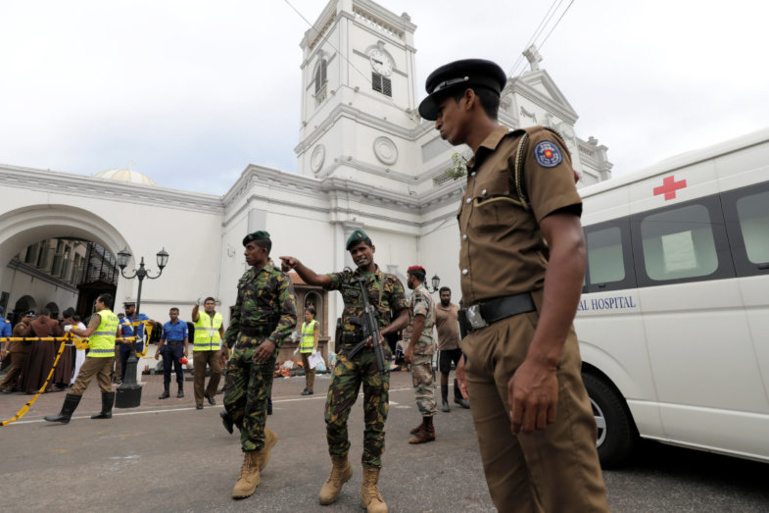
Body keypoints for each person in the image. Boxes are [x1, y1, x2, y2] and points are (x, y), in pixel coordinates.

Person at [419, 59, 609, 512]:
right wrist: (469, 350)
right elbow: (481, 272)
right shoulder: (473, 176)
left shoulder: (531, 147)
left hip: (528, 333)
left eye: (441, 107)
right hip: (482, 344)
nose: (436, 121)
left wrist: (543, 361)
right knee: (509, 489)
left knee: (567, 489)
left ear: (469, 99)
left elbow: (569, 246)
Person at [280, 228, 409, 513]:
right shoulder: (347, 278)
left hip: (376, 357)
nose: (359, 254)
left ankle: (370, 485)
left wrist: (383, 332)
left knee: (375, 421)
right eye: (354, 251)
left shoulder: (390, 283)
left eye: (363, 249)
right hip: (349, 356)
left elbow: (404, 314)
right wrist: (297, 264)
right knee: (333, 416)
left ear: (372, 249)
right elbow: (316, 280)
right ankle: (340, 468)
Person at [219, 230, 296, 500]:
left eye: (250, 248)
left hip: (263, 350)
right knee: (231, 403)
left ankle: (251, 465)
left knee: (254, 405)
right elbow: (237, 314)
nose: (245, 252)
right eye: (245, 248)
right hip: (241, 348)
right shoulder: (245, 279)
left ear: (263, 251)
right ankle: (263, 437)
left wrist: (273, 341)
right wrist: (226, 343)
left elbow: (289, 317)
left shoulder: (279, 279)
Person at [44, 293, 121, 423]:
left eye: (96, 301)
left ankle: (65, 414)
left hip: (96, 353)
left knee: (81, 381)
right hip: (109, 353)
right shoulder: (114, 317)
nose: (95, 304)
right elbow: (118, 334)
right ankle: (106, 411)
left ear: (102, 303)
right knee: (105, 382)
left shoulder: (98, 316)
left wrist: (70, 329)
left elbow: (86, 333)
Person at [404, 265, 437, 444]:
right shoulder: (426, 293)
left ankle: (429, 430)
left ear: (413, 277)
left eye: (408, 276)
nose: (407, 279)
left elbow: (419, 321)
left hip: (420, 347)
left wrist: (410, 347)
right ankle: (425, 424)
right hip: (425, 345)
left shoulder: (419, 294)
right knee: (425, 384)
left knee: (423, 386)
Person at [434, 287, 468, 412]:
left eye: (448, 295)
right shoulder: (436, 310)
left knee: (461, 371)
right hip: (444, 347)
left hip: (457, 346)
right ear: (440, 296)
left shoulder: (455, 308)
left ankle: (459, 398)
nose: (446, 297)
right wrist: (432, 341)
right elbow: (430, 325)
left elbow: (463, 322)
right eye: (444, 295)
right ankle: (444, 401)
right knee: (445, 373)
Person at [191, 297, 225, 409]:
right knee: (199, 376)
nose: (210, 305)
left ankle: (209, 393)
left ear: (215, 305)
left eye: (212, 303)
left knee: (218, 371)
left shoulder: (219, 316)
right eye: (207, 303)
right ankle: (199, 401)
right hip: (200, 350)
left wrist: (225, 345)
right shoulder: (199, 314)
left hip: (215, 350)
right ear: (204, 305)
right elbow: (193, 316)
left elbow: (221, 330)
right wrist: (196, 305)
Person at [22, 308, 62, 394]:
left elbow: (25, 335)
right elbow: (58, 333)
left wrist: (32, 339)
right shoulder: (53, 322)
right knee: (47, 366)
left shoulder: (33, 323)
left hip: (36, 344)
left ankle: (31, 387)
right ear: (49, 314)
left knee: (34, 365)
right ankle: (46, 387)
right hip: (49, 345)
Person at [155, 307, 189, 399]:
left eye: (174, 313)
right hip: (168, 348)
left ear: (178, 314)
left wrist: (186, 349)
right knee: (166, 370)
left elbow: (186, 337)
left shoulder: (183, 324)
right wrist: (157, 350)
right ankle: (166, 391)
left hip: (178, 347)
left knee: (178, 369)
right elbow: (162, 338)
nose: (172, 315)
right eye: (171, 314)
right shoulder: (165, 325)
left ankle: (180, 390)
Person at [0, 311, 33, 393]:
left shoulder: (26, 326)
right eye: (28, 317)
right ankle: (2, 384)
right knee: (15, 368)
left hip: (23, 350)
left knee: (18, 369)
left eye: (31, 317)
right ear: (23, 317)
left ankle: (12, 385)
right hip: (18, 350)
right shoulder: (20, 326)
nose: (30, 319)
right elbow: (25, 335)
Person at [118, 302, 150, 384]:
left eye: (128, 308)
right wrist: (123, 341)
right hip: (125, 345)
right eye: (125, 308)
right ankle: (124, 382)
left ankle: (132, 381)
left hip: (138, 344)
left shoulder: (142, 317)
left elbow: (151, 325)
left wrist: (153, 322)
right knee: (124, 364)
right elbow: (119, 334)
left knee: (133, 364)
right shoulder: (122, 320)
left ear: (134, 307)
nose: (126, 310)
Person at [61, 308, 87, 385]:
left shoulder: (78, 326)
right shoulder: (79, 325)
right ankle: (74, 379)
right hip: (78, 347)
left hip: (78, 348)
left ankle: (74, 380)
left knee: (76, 364)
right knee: (76, 365)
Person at [298, 306, 320, 395]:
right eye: (305, 314)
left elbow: (316, 337)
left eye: (308, 314)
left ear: (312, 315)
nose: (306, 316)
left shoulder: (315, 324)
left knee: (311, 369)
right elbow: (302, 337)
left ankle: (310, 388)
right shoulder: (304, 324)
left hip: (311, 350)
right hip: (303, 350)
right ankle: (307, 386)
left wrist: (314, 348)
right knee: (306, 369)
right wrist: (297, 347)